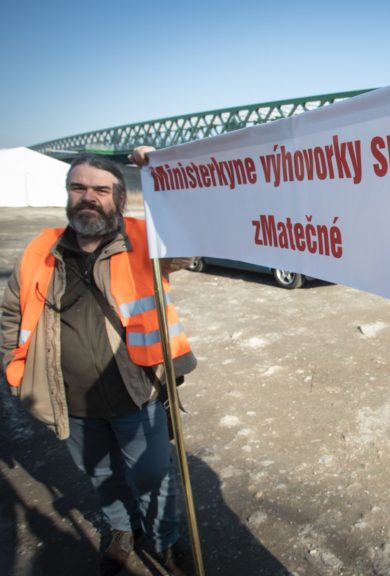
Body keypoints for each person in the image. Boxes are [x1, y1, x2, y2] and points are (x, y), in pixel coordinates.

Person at [0, 154, 197, 576]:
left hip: (136, 392)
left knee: (151, 476)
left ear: (120, 198)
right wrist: (11, 368)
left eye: (101, 190)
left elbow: (191, 237)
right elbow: (11, 313)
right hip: (70, 398)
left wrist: (163, 172)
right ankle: (123, 532)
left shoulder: (145, 239)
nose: (88, 198)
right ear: (69, 194)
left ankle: (163, 541)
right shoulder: (41, 249)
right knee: (101, 474)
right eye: (79, 188)